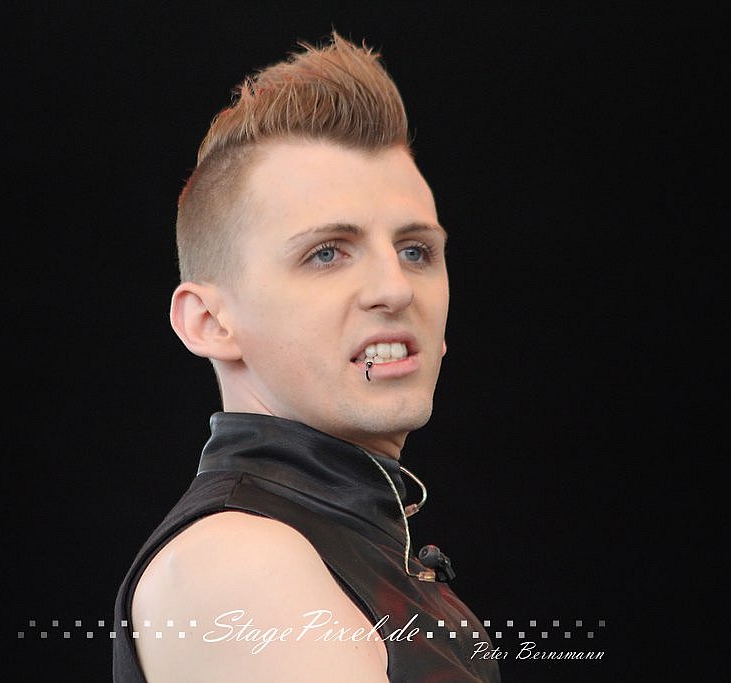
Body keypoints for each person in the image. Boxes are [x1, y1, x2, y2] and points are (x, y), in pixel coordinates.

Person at [112, 33, 499, 682]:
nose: (396, 289)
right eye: (326, 253)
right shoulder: (235, 562)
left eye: (415, 251)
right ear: (210, 322)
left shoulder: (359, 547)